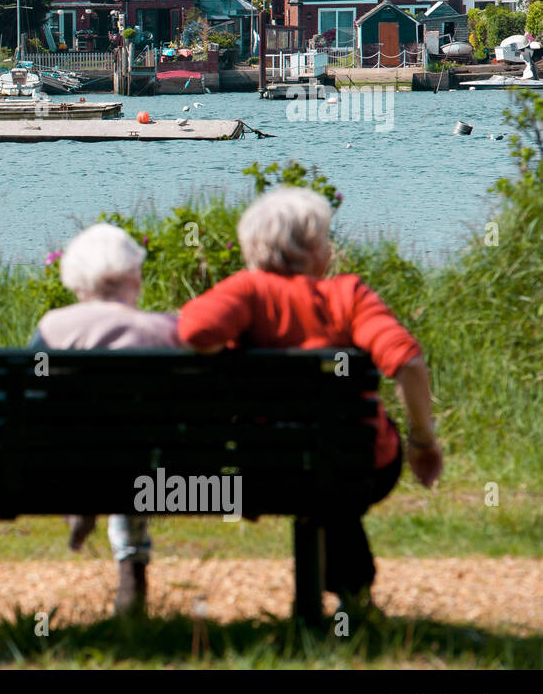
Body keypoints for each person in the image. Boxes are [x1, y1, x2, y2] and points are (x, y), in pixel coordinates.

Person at [177, 187, 443, 615]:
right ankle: (353, 598)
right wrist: (423, 441)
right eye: (325, 238)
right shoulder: (348, 295)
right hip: (359, 465)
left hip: (264, 468)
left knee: (312, 463)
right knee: (333, 461)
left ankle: (343, 597)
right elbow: (408, 363)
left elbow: (193, 333)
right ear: (314, 249)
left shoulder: (248, 292)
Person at [30, 223, 181, 615]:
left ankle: (80, 501)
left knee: (90, 445)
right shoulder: (163, 330)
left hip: (69, 466)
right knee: (133, 453)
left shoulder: (53, 328)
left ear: (76, 282)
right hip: (156, 473)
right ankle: (132, 570)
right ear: (135, 278)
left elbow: (30, 402)